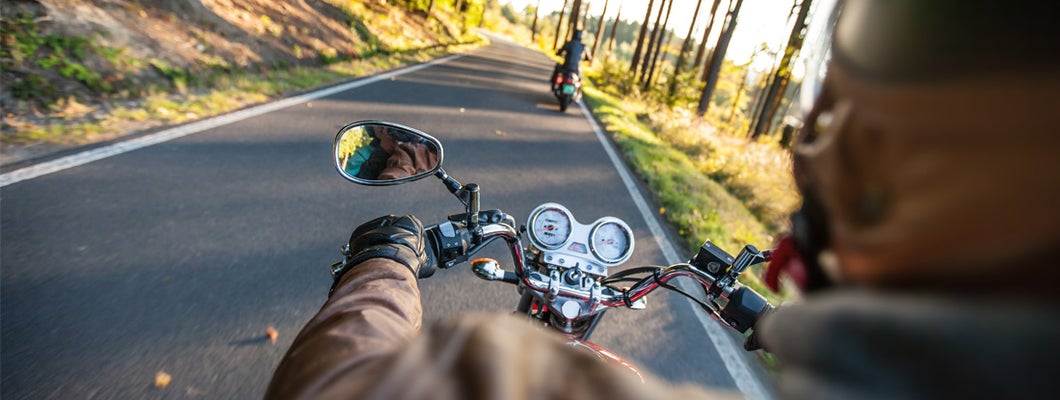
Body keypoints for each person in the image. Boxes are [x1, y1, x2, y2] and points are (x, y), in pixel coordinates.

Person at [267, 1, 1060, 399]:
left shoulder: (513, 375)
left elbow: (342, 388)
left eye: (846, 103)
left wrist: (383, 262)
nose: (808, 139)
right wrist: (773, 322)